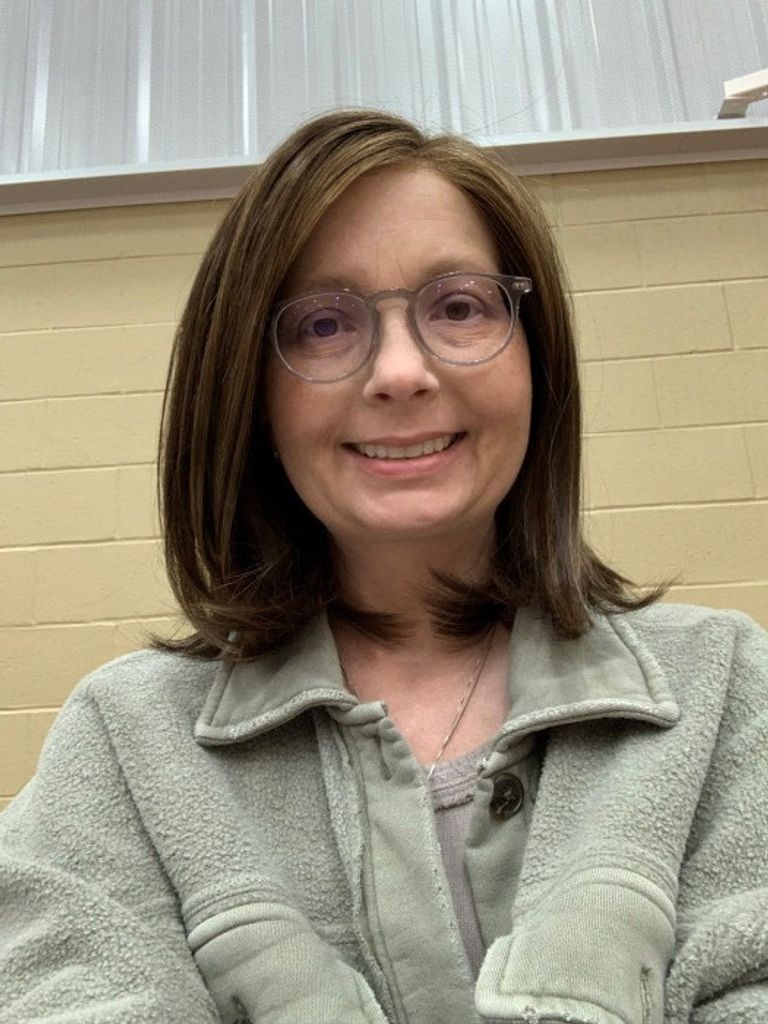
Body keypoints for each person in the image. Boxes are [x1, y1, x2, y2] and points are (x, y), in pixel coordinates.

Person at [0, 110, 766, 1024]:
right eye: (323, 324)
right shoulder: (127, 746)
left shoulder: (723, 688)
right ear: (252, 397)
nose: (401, 372)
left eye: (459, 307)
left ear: (536, 358)